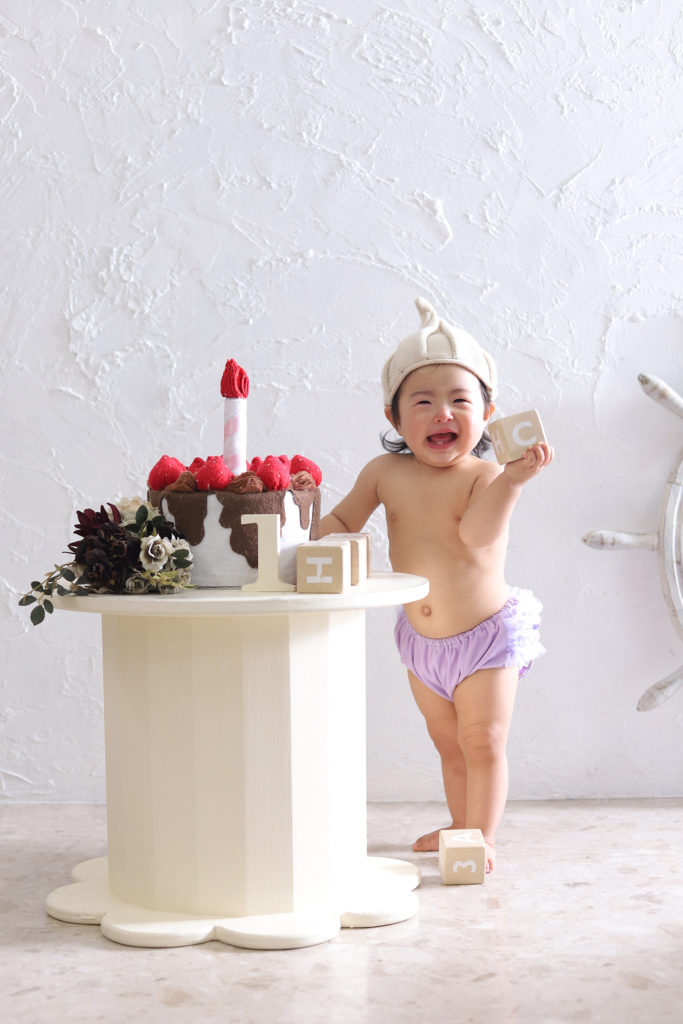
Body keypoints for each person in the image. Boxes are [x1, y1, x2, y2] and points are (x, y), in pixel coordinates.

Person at [318, 298, 554, 873]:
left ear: (487, 413)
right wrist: (306, 537)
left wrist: (514, 481)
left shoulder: (485, 475)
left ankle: (482, 837)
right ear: (395, 418)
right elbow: (343, 520)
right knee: (449, 745)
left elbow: (475, 535)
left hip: (483, 640)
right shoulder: (384, 473)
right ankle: (461, 824)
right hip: (421, 645)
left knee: (483, 741)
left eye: (460, 401)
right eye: (422, 402)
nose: (441, 413)